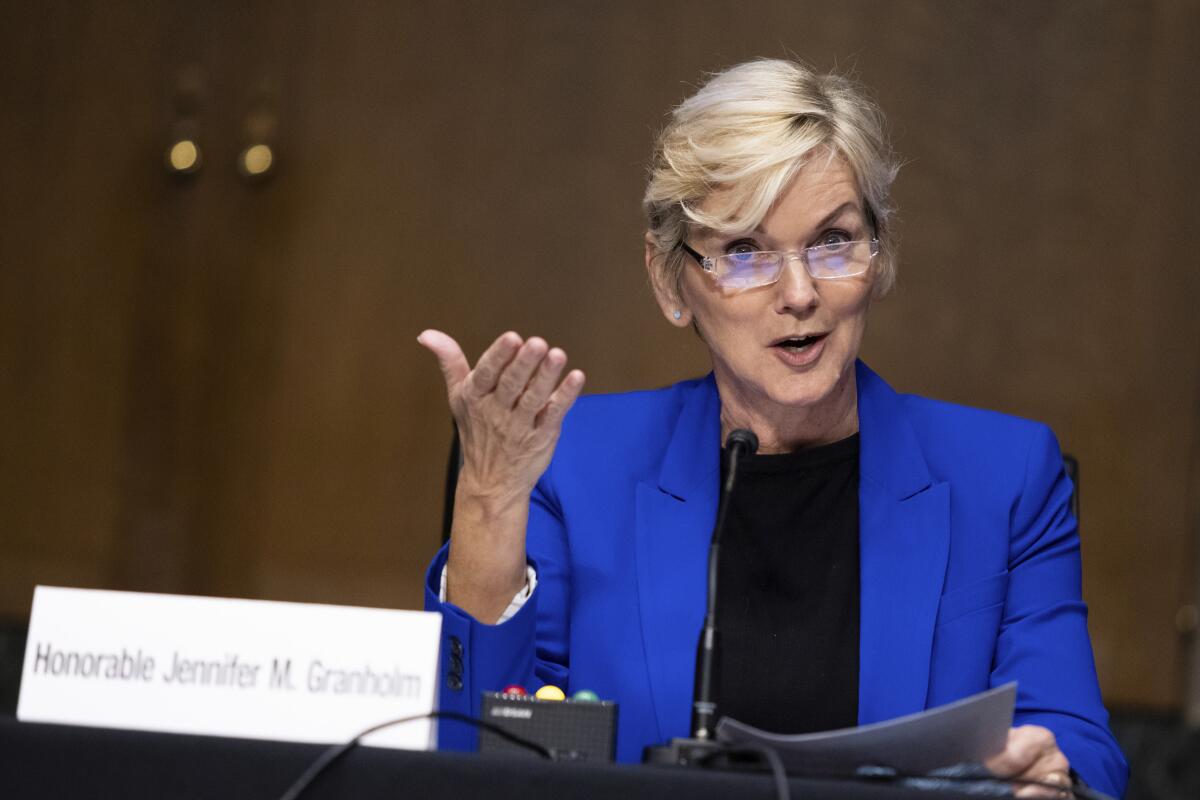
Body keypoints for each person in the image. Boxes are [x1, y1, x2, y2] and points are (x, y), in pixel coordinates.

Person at [417, 58, 1128, 798]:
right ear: (671, 283)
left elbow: (1080, 746)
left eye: (834, 240)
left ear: (879, 259)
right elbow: (474, 748)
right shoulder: (574, 463)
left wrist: (1051, 780)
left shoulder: (1006, 476)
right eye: (744, 252)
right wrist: (488, 502)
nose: (799, 294)